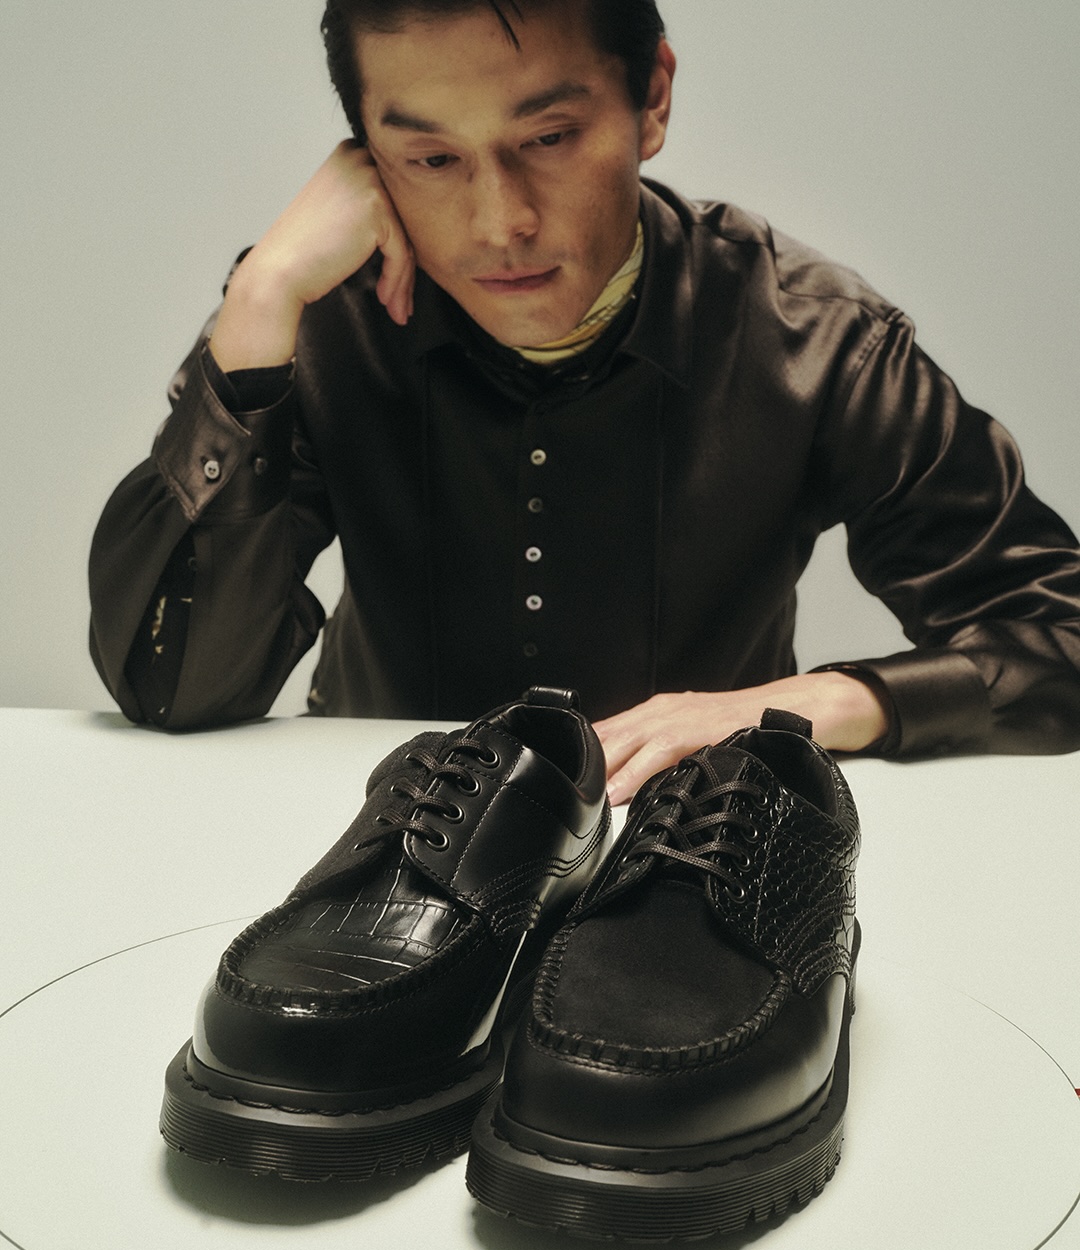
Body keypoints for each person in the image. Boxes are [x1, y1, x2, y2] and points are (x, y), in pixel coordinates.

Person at [88, 0, 1080, 805]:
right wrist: (259, 302)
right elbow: (171, 689)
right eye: (431, 159)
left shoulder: (812, 338)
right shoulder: (315, 320)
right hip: (375, 845)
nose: (500, 223)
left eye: (551, 137)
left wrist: (824, 703)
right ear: (366, 157)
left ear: (651, 97)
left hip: (686, 854)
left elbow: (1059, 637)